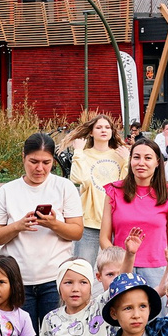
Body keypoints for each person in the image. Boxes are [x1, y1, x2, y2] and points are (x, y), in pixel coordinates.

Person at [0, 134, 84, 327]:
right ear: (24, 156)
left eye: (46, 162)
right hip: (18, 279)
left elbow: (76, 232)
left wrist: (53, 224)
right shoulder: (8, 191)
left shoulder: (64, 187)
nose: (39, 168)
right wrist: (18, 226)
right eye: (33, 161)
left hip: (55, 278)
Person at [99, 137, 168, 286]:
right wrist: (120, 262)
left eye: (148, 158)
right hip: (121, 267)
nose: (141, 163)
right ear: (130, 161)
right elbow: (104, 237)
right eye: (136, 157)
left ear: (157, 162)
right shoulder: (114, 192)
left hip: (157, 270)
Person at [63, 112, 128, 264]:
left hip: (116, 221)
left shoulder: (120, 155)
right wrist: (78, 151)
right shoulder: (84, 154)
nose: (103, 130)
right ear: (91, 132)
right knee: (83, 266)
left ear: (112, 132)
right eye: (99, 127)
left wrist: (128, 159)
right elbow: (78, 178)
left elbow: (126, 185)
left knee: (119, 267)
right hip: (89, 221)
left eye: (107, 127)